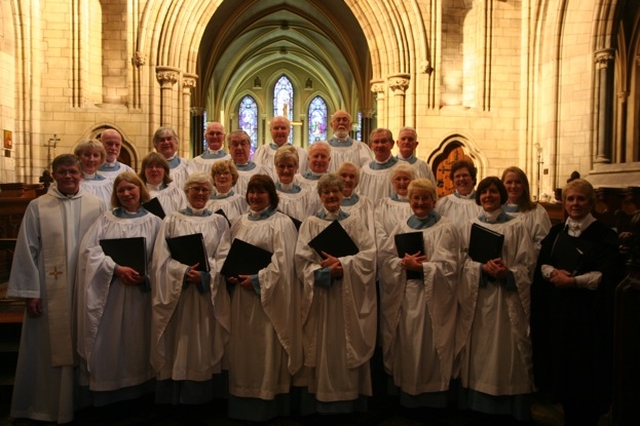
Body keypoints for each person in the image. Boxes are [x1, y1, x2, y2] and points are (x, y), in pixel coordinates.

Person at [7, 154, 106, 424]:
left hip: (85, 288)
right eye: (62, 172)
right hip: (50, 293)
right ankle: (46, 406)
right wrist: (31, 293)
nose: (68, 176)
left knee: (83, 340)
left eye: (72, 171)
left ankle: (83, 402)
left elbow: (104, 245)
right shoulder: (38, 206)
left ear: (80, 174)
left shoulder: (95, 205)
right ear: (54, 174)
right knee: (48, 347)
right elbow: (27, 250)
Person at [531, 179, 623, 426]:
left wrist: (574, 282)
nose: (575, 204)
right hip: (560, 315)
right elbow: (543, 262)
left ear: (591, 203)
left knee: (586, 380)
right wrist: (553, 274)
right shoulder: (557, 232)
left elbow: (605, 276)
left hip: (589, 319)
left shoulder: (604, 236)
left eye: (581, 199)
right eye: (571, 199)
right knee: (564, 375)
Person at [76, 172, 162, 406]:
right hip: (111, 291)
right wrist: (115, 269)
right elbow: (89, 251)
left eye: (130, 189)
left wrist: (145, 276)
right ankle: (110, 390)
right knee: (111, 340)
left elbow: (161, 258)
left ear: (140, 190)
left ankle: (142, 390)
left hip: (141, 294)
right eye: (121, 190)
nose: (126, 194)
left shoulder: (155, 221)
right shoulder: (106, 219)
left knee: (139, 340)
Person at [294, 173, 377, 415]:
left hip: (347, 296)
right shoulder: (310, 224)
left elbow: (369, 255)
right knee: (322, 346)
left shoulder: (354, 222)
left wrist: (343, 265)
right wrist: (323, 273)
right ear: (319, 196)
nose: (331, 196)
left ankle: (348, 399)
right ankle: (320, 400)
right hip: (321, 296)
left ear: (343, 194)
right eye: (326, 192)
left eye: (336, 192)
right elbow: (300, 260)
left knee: (345, 345)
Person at [456, 177, 536, 423]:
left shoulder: (518, 226)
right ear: (478, 197)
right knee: (479, 348)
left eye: (493, 192)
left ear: (501, 195)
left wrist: (508, 273)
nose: (488, 196)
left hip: (506, 299)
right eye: (484, 193)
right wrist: (480, 269)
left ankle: (508, 405)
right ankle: (476, 404)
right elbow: (462, 263)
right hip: (478, 299)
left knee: (505, 349)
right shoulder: (469, 225)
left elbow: (528, 265)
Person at [225, 174, 302, 422]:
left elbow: (283, 264)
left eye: (261, 192)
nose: (255, 197)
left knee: (266, 348)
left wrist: (257, 280)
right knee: (243, 350)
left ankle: (269, 402)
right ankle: (242, 400)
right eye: (252, 192)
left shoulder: (282, 224)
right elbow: (227, 255)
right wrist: (229, 274)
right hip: (241, 298)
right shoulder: (238, 222)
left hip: (266, 300)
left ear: (271, 195)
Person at [151, 172, 232, 405]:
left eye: (205, 190)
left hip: (207, 293)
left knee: (206, 341)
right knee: (181, 341)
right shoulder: (172, 220)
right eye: (195, 189)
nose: (199, 193)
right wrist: (183, 272)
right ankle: (178, 395)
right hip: (180, 293)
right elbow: (161, 258)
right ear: (186, 192)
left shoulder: (218, 221)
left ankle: (208, 395)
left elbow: (223, 255)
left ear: (211, 193)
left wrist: (207, 275)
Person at [377, 178, 459, 409]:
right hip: (406, 295)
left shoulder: (446, 227)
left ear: (434, 200)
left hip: (432, 299)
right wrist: (402, 264)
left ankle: (432, 397)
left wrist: (422, 267)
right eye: (415, 198)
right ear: (409, 200)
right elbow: (386, 259)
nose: (420, 202)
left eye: (425, 198)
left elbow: (451, 267)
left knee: (430, 344)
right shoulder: (403, 226)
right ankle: (407, 395)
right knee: (408, 343)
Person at [501, 166, 551, 256]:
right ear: (502, 185)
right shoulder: (497, 211)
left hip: (528, 263)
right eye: (509, 182)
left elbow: (543, 242)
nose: (513, 186)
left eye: (518, 182)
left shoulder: (537, 211)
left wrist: (520, 258)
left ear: (524, 185)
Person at [274, 145, 319, 222]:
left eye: (290, 166)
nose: (286, 170)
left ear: (296, 167)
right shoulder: (269, 195)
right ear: (276, 168)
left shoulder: (306, 197)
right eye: (281, 166)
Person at [374, 164, 416, 246]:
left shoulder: (418, 205)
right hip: (389, 254)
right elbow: (380, 233)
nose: (402, 182)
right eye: (398, 179)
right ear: (392, 182)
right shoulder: (383, 205)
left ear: (412, 181)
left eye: (406, 179)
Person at [434, 158, 481, 230]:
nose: (461, 179)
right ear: (453, 181)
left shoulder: (481, 203)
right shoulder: (444, 203)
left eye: (465, 175)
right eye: (457, 176)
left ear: (473, 179)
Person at [139, 152, 187, 217]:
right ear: (143, 171)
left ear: (165, 170)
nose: (154, 169)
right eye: (150, 166)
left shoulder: (177, 193)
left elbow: (183, 219)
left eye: (158, 166)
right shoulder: (138, 194)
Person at [228, 129, 275, 196]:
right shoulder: (223, 173)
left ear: (249, 146)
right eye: (235, 144)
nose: (239, 148)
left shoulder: (263, 172)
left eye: (243, 144)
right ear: (229, 148)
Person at [357, 128, 399, 203]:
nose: (380, 145)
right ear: (371, 146)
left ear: (392, 144)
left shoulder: (402, 169)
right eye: (376, 142)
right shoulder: (364, 172)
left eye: (384, 141)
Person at [338, 161, 375, 243]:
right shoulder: (330, 204)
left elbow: (371, 234)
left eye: (352, 177)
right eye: (344, 175)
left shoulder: (366, 203)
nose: (347, 180)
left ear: (357, 182)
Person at [207, 159, 247, 224]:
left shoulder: (241, 201)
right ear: (213, 178)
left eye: (226, 173)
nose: (222, 176)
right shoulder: (207, 202)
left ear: (233, 177)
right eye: (218, 173)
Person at [74, 139, 113, 205]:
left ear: (101, 159)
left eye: (96, 155)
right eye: (87, 155)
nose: (91, 159)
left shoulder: (108, 184)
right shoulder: (71, 182)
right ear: (78, 157)